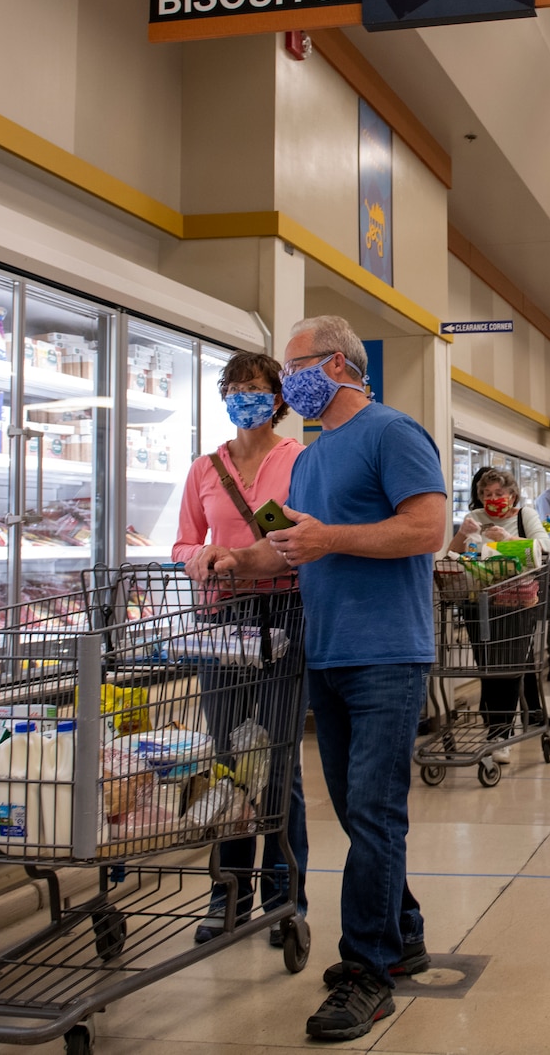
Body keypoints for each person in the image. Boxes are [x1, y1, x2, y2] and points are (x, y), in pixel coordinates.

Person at [214, 315, 447, 1044]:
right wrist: (239, 561)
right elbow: (296, 548)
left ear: (340, 364)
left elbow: (427, 528)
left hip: (387, 653)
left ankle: (368, 968)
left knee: (375, 814)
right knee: (355, 810)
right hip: (328, 653)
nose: (288, 384)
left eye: (296, 367)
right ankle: (402, 929)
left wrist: (330, 538)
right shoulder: (311, 459)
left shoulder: (392, 432)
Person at [171, 351, 307, 947]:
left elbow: (303, 533)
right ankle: (228, 894)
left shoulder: (297, 459)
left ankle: (285, 896)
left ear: (278, 399)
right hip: (221, 619)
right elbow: (181, 542)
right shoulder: (205, 468)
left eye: (255, 388)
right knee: (227, 758)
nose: (243, 397)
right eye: (233, 388)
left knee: (277, 759)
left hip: (284, 608)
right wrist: (197, 558)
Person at [448, 466, 547, 760]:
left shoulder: (523, 516)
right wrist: (461, 536)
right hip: (478, 602)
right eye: (487, 494)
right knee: (487, 666)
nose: (493, 499)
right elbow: (453, 555)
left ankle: (501, 732)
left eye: (499, 493)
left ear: (512, 494)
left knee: (508, 666)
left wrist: (508, 540)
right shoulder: (475, 518)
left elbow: (546, 547)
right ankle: (495, 727)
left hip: (516, 602)